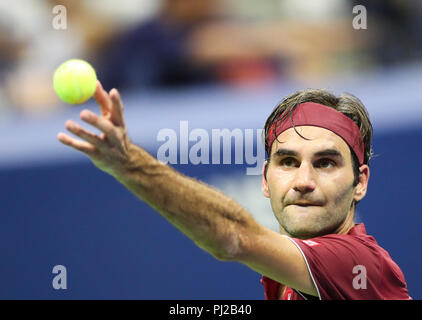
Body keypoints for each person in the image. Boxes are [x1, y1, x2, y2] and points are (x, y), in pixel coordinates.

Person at [57, 81, 411, 300]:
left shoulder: (356, 264)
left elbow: (234, 237)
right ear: (265, 180)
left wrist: (128, 162)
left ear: (360, 182)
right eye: (287, 162)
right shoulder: (289, 278)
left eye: (325, 163)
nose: (304, 181)